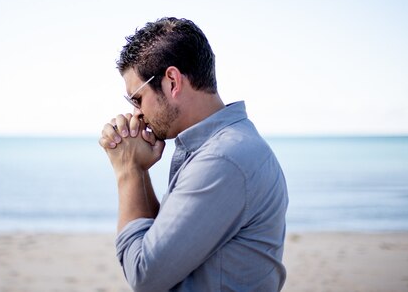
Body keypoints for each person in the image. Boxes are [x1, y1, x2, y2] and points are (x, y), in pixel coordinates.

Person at [99, 17, 288, 292]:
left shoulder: (222, 160)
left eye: (136, 98)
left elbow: (144, 275)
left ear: (172, 81)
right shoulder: (225, 147)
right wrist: (138, 168)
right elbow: (157, 244)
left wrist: (128, 171)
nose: (136, 113)